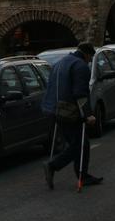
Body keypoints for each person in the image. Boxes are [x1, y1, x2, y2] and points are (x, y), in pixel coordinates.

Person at [41, 42, 102, 190]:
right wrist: (88, 115)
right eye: (90, 58)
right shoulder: (81, 67)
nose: (89, 61)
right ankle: (53, 165)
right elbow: (80, 94)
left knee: (79, 143)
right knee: (80, 144)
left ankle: (82, 175)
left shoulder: (60, 63)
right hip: (68, 110)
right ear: (87, 54)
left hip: (53, 108)